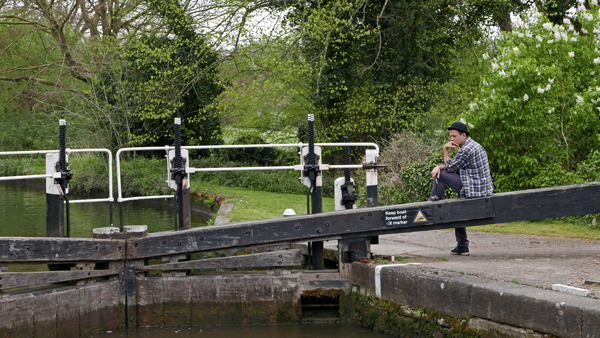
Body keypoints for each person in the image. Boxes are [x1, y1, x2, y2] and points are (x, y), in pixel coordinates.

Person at [430, 122, 493, 256]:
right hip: (479, 187)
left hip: (475, 189)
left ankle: (433, 205)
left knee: (441, 176)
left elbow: (450, 167)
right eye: (451, 137)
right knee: (457, 208)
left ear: (463, 135)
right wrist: (440, 166)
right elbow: (454, 165)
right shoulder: (471, 145)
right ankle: (462, 246)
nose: (452, 140)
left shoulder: (467, 149)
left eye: (454, 136)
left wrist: (445, 149)